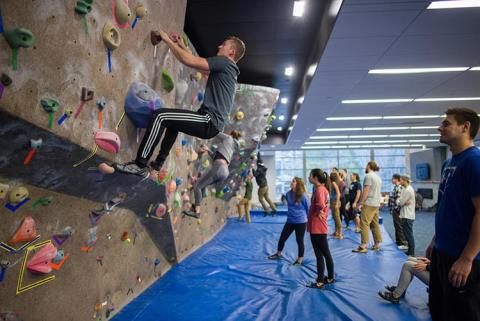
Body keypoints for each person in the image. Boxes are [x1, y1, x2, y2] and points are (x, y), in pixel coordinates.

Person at [114, 32, 246, 176]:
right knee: (172, 123)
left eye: (224, 44)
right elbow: (199, 65)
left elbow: (190, 61)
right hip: (210, 123)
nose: (219, 46)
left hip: (208, 121)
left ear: (231, 52)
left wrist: (166, 39)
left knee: (160, 116)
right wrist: (180, 45)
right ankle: (157, 165)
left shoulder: (225, 63)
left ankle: (139, 164)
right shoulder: (229, 71)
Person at [426, 108, 480, 321]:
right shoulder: (449, 164)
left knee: (462, 314)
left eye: (447, 123)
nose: (440, 127)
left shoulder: (474, 161)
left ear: (465, 127)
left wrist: (467, 258)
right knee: (440, 311)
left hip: (463, 256)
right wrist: (435, 240)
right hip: (442, 252)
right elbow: (446, 207)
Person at [183, 131, 241, 218]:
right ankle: (196, 207)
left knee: (197, 186)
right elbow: (216, 157)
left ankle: (197, 212)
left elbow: (215, 132)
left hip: (219, 167)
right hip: (224, 172)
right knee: (203, 186)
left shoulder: (229, 138)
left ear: (231, 134)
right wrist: (207, 149)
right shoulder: (230, 148)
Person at [268, 177, 309, 265]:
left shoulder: (303, 195)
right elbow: (288, 204)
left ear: (297, 184)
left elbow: (308, 208)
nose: (292, 182)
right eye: (292, 181)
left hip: (301, 222)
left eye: (293, 181)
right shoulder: (288, 194)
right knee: (282, 238)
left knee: (299, 240)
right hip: (290, 221)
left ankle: (299, 260)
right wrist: (282, 199)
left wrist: (309, 222)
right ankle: (278, 254)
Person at [307, 168, 335, 289]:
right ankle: (329, 277)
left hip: (317, 227)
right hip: (318, 226)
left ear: (315, 177)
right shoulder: (322, 189)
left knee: (320, 254)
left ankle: (320, 281)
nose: (308, 178)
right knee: (325, 253)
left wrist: (320, 211)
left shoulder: (319, 190)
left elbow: (321, 204)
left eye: (310, 176)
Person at [353, 161, 383, 253]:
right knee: (374, 224)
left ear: (369, 166)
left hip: (369, 203)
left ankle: (363, 246)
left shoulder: (368, 176)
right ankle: (377, 244)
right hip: (376, 203)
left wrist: (361, 203)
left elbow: (366, 190)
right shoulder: (378, 177)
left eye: (366, 165)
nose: (365, 167)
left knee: (364, 223)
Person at [389, 174, 408, 251]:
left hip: (397, 210)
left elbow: (399, 200)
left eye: (392, 179)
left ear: (396, 179)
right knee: (396, 226)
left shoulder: (399, 187)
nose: (391, 180)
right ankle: (398, 241)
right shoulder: (396, 187)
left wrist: (396, 209)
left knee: (399, 226)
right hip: (394, 210)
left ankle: (403, 243)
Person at [397, 175, 415, 257]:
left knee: (409, 235)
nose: (399, 182)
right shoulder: (405, 189)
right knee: (407, 234)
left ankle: (411, 253)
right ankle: (410, 251)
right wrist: (402, 202)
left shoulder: (408, 190)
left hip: (408, 215)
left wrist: (401, 202)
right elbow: (400, 201)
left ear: (404, 180)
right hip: (405, 214)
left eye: (400, 180)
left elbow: (399, 202)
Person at [329, 172, 343, 239]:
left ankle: (340, 233)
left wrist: (337, 203)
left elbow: (338, 193)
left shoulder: (334, 183)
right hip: (332, 202)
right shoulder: (332, 183)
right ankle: (336, 232)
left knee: (337, 218)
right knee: (334, 218)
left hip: (335, 202)